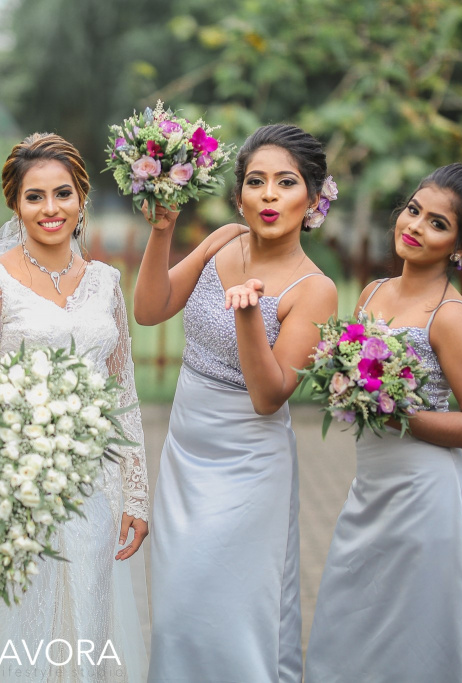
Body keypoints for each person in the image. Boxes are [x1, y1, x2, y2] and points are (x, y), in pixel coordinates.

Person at [135, 124, 339, 682]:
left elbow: (269, 396)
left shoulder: (314, 289)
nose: (269, 195)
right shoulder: (224, 240)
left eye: (286, 182)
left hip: (248, 467)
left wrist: (249, 315)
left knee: (230, 615)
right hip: (185, 453)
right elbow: (150, 310)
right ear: (239, 194)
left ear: (313, 199)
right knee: (176, 613)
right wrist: (162, 231)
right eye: (256, 181)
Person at [0, 132, 150, 682]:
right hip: (19, 484)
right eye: (34, 196)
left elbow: (123, 392)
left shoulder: (106, 284)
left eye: (62, 193)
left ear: (82, 197)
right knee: (20, 630)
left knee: (88, 623)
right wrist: (31, 433)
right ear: (15, 204)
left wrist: (135, 491)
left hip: (95, 487)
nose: (50, 208)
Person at [304, 163, 462, 683]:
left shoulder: (450, 317)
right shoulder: (372, 293)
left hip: (425, 500)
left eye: (438, 224)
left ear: (461, 245)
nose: (415, 226)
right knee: (350, 627)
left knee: (414, 643)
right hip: (369, 490)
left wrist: (400, 416)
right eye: (414, 210)